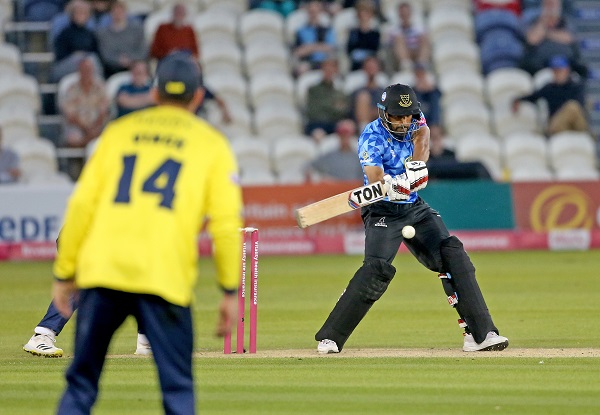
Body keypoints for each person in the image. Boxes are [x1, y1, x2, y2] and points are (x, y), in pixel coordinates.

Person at [52, 52, 243, 414]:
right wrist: (230, 290)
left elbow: (80, 208)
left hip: (103, 272)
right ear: (198, 97)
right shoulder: (212, 144)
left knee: (81, 384)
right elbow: (224, 225)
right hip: (163, 276)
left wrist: (64, 273)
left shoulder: (118, 133)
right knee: (177, 390)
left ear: (154, 93)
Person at [315, 83, 509, 354]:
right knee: (376, 269)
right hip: (381, 209)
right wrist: (390, 186)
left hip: (414, 208)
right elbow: (373, 177)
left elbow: (424, 137)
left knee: (452, 252)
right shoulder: (371, 137)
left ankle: (479, 335)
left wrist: (417, 166)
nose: (404, 122)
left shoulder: (416, 121)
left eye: (408, 116)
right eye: (397, 116)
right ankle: (331, 337)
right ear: (383, 113)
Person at [513, 55, 589, 136]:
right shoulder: (549, 88)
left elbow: (580, 107)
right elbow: (533, 97)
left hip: (573, 124)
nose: (557, 74)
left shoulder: (575, 87)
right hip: (556, 125)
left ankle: (585, 135)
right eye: (555, 71)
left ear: (567, 71)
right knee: (572, 107)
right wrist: (518, 100)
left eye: (559, 71)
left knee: (574, 107)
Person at [60, 56, 109, 179]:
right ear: (79, 71)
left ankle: (99, 174)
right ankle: (77, 174)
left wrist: (94, 127)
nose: (87, 72)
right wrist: (87, 130)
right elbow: (70, 114)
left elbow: (104, 111)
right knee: (73, 138)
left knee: (105, 137)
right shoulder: (71, 89)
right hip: (78, 127)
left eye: (89, 69)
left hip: (97, 126)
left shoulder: (100, 88)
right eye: (84, 69)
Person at [51, 0, 103, 81]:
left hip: (87, 63)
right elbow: (60, 55)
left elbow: (96, 52)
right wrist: (76, 55)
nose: (81, 15)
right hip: (66, 65)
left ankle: (98, 85)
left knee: (93, 60)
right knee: (80, 59)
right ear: (72, 15)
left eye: (84, 13)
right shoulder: (65, 33)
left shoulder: (90, 34)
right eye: (78, 12)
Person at [95, 1, 148, 78]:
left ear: (126, 12)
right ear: (110, 13)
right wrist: (118, 60)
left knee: (141, 66)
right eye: (115, 11)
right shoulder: (103, 33)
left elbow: (143, 50)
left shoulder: (137, 29)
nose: (118, 14)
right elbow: (105, 54)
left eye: (121, 11)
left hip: (135, 65)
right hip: (112, 69)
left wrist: (130, 59)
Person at [303, 56, 350, 140]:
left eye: (332, 67)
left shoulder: (339, 91)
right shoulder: (314, 90)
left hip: (334, 123)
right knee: (318, 134)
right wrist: (334, 106)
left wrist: (327, 106)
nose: (329, 70)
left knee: (347, 128)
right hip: (317, 123)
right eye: (326, 67)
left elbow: (343, 111)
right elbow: (313, 111)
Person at [292, 0, 337, 76]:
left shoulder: (327, 30)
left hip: (325, 62)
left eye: (315, 11)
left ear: (319, 11)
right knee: (301, 69)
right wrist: (319, 46)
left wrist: (310, 47)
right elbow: (298, 52)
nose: (313, 14)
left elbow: (330, 48)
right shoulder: (301, 31)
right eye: (311, 11)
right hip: (309, 62)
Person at [387, 2, 430, 72]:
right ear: (399, 14)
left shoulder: (419, 28)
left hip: (417, 51)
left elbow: (423, 40)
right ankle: (406, 65)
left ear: (410, 13)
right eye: (402, 13)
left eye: (406, 12)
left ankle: (422, 63)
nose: (405, 15)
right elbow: (389, 43)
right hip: (402, 55)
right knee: (398, 39)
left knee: (424, 39)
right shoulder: (393, 30)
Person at [351, 55, 385, 131]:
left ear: (378, 69)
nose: (371, 69)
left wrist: (369, 111)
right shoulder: (357, 92)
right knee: (363, 97)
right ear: (364, 69)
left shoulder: (384, 92)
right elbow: (354, 113)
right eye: (368, 67)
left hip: (381, 126)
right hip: (360, 126)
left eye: (373, 67)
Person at [346, 0, 380, 72]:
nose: (363, 16)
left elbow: (375, 49)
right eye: (361, 13)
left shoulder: (375, 33)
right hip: (356, 67)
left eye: (366, 13)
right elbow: (350, 49)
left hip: (371, 67)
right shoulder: (353, 32)